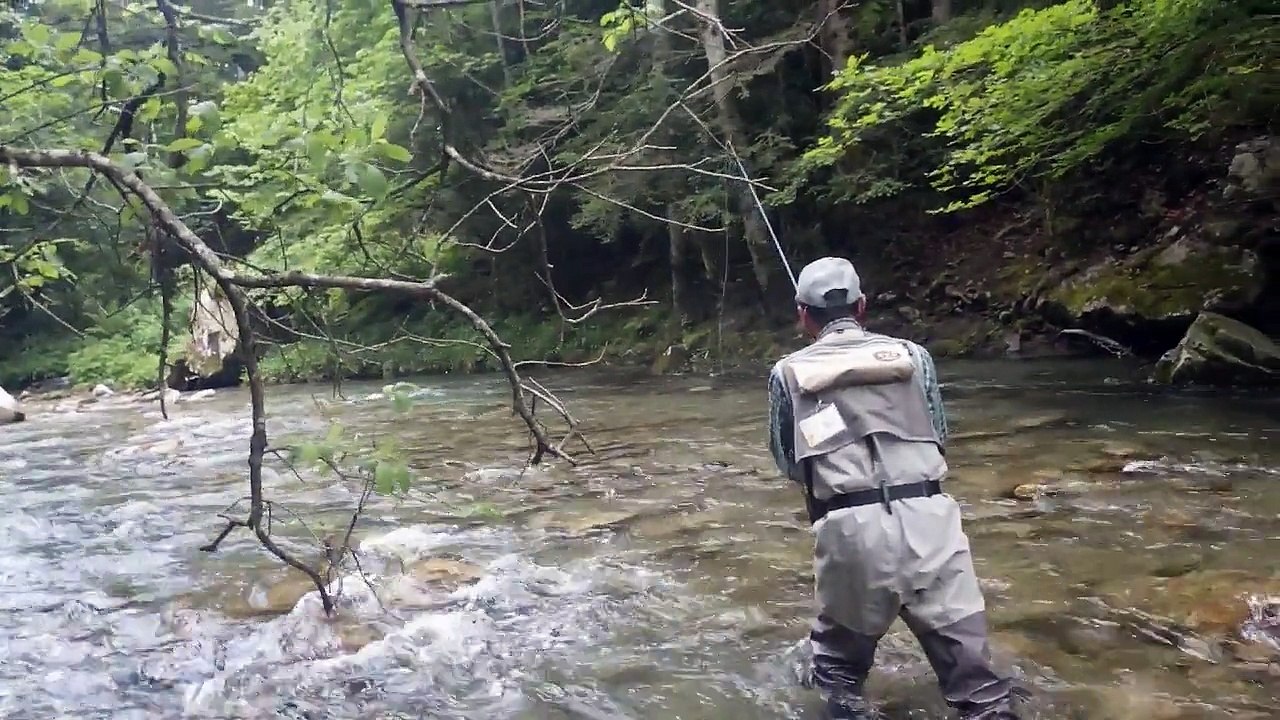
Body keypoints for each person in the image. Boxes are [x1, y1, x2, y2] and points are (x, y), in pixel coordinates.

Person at [766, 256, 1019, 720]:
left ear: (803, 314)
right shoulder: (913, 357)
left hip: (849, 530)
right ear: (862, 306)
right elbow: (938, 433)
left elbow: (790, 463)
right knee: (979, 688)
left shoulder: (786, 372)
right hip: (931, 518)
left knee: (838, 676)